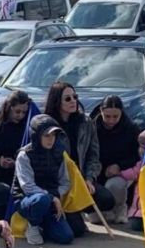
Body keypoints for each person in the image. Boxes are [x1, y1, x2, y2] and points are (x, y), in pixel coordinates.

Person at [44, 81, 114, 235]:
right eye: (67, 99)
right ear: (57, 101)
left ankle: (78, 211)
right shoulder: (47, 125)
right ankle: (61, 215)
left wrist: (89, 178)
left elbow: (93, 155)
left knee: (107, 199)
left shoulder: (86, 122)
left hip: (80, 179)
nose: (73, 101)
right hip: (59, 183)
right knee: (76, 231)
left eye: (74, 97)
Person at [15, 115, 73, 246]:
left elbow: (65, 182)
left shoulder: (59, 153)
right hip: (27, 200)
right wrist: (51, 197)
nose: (51, 139)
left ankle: (44, 224)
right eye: (46, 135)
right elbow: (27, 187)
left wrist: (56, 195)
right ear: (36, 135)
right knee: (41, 199)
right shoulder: (24, 155)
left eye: (53, 135)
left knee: (66, 237)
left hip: (52, 199)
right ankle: (33, 225)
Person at [95, 96, 140, 224]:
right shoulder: (93, 128)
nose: (111, 120)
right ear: (101, 111)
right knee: (95, 219)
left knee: (115, 185)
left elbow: (136, 156)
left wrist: (119, 166)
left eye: (115, 116)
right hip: (98, 172)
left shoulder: (131, 128)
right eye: (107, 116)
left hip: (122, 172)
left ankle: (120, 208)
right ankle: (104, 209)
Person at [0, 90, 30, 189]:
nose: (20, 116)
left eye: (24, 112)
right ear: (8, 108)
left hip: (18, 177)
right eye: (17, 111)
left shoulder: (26, 129)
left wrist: (15, 162)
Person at [122, 127, 145, 232]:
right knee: (136, 225)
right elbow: (133, 173)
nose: (141, 150)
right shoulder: (141, 164)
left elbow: (133, 173)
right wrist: (120, 173)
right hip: (138, 211)